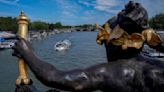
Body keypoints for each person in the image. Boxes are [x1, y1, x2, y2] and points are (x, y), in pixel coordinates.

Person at [12, 1, 164, 92]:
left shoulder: (119, 71)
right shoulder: (155, 67)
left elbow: (56, 77)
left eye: (104, 42)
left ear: (114, 41)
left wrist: (27, 52)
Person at [96, 1, 164, 62]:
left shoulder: (145, 31)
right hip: (123, 63)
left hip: (127, 63)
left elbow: (159, 45)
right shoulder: (111, 24)